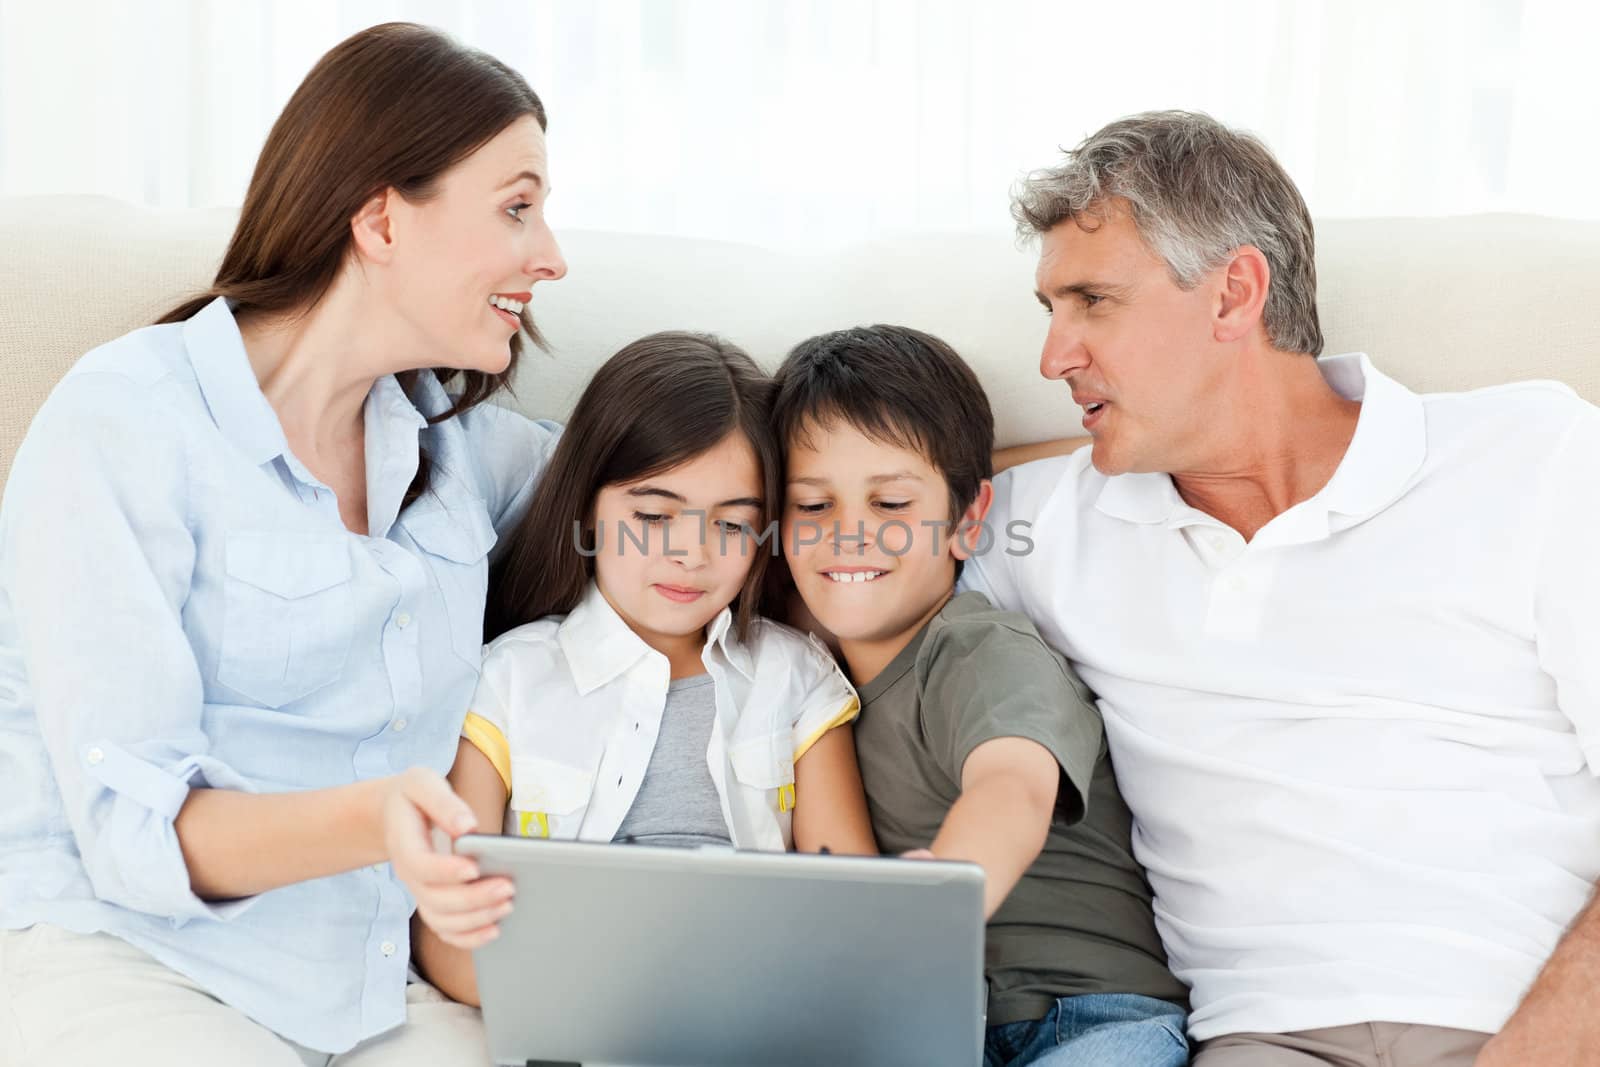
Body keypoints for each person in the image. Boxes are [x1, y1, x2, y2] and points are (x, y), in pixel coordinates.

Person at [962, 110, 1600, 1066]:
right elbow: (816, 527)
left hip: (1535, 1018)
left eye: (1092, 301)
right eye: (1049, 311)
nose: (1054, 355)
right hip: (1266, 1038)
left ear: (1234, 295)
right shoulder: (1045, 524)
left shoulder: (1534, 457)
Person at [0, 22, 569, 1065]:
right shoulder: (127, 421)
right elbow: (135, 836)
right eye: (517, 207)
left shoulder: (457, 447)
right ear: (383, 219)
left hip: (361, 988)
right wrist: (374, 817)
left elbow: (671, 481)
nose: (552, 256)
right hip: (125, 955)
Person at [390, 331, 877, 1007]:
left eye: (734, 526)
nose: (691, 554)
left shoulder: (795, 677)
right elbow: (446, 930)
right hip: (567, 1004)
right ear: (589, 505)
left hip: (755, 1009)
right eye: (652, 516)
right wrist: (571, 1005)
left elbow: (857, 906)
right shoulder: (507, 678)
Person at [773, 325, 1190, 1066]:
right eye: (813, 507)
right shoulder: (798, 673)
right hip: (937, 1033)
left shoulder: (977, 649)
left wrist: (942, 901)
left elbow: (1012, 790)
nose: (849, 535)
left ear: (969, 518)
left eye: (892, 503)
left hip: (1090, 1018)